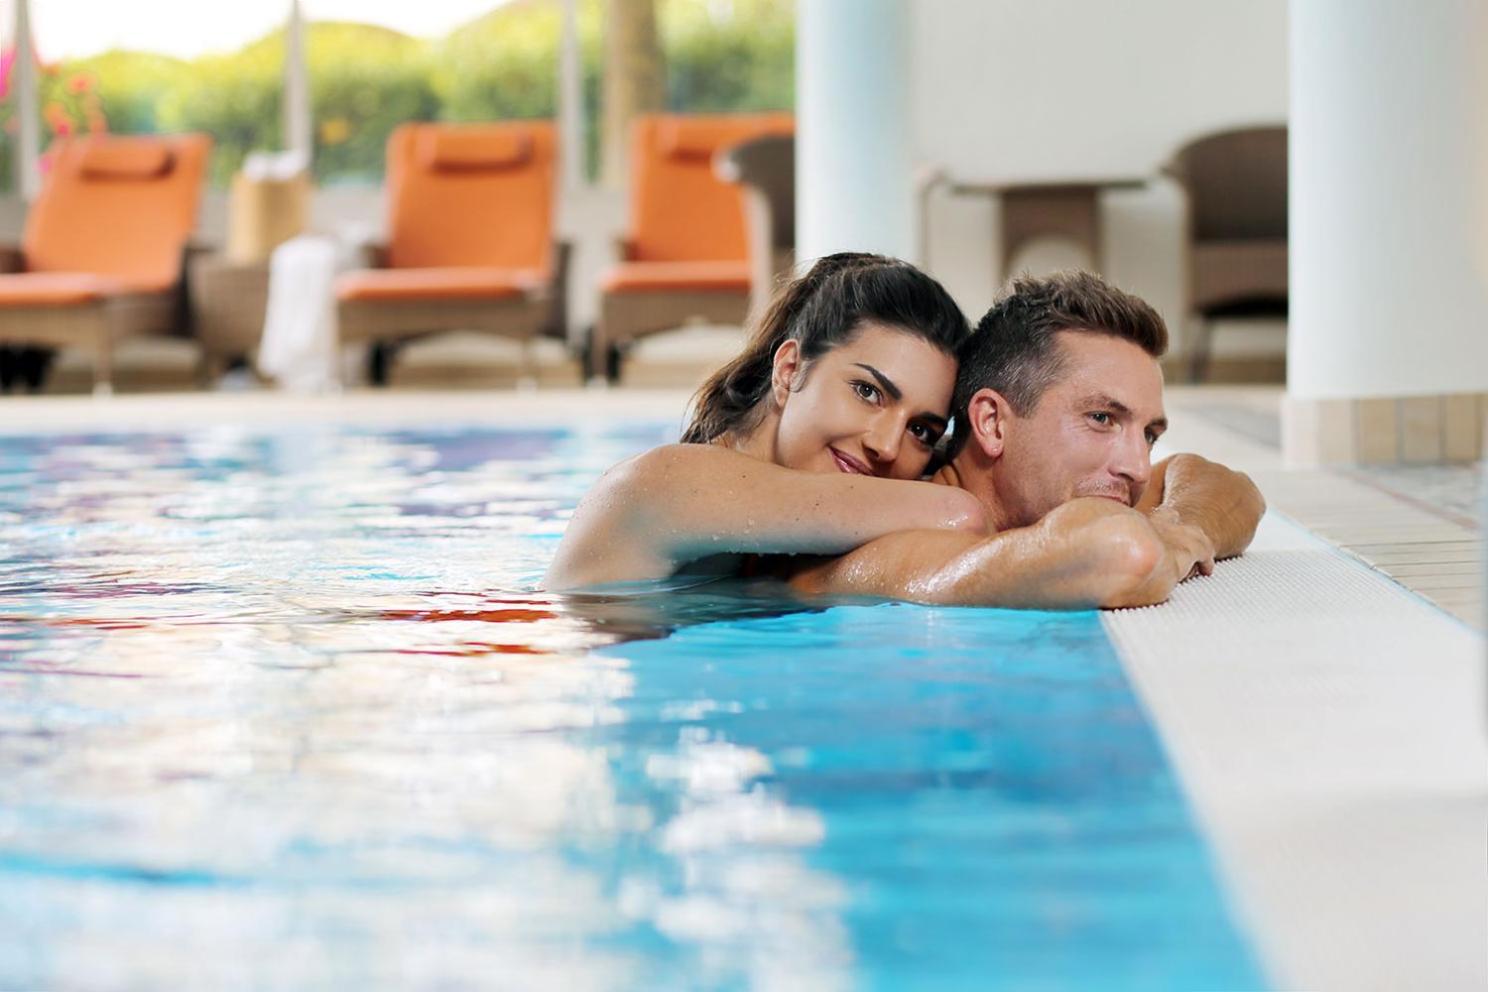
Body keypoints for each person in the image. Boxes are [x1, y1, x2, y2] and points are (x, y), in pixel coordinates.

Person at [785, 270, 1266, 608]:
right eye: (1101, 418)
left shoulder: (1065, 496)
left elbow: (1226, 486)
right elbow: (1126, 554)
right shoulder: (893, 541)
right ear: (993, 423)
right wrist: (1170, 545)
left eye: (1149, 434)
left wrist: (1178, 523)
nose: (1137, 468)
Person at [543, 253, 989, 590]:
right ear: (790, 370)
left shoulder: (773, 529)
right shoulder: (664, 483)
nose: (887, 446)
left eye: (920, 430)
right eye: (867, 392)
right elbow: (956, 514)